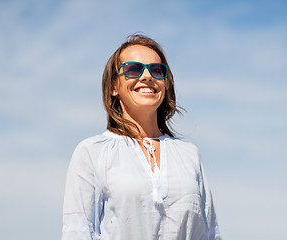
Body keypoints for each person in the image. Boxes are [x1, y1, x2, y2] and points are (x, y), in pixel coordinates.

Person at [61, 34, 221, 240]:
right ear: (113, 87)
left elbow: (208, 234)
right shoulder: (92, 151)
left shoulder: (189, 155)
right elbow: (79, 232)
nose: (147, 76)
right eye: (133, 69)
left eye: (157, 70)